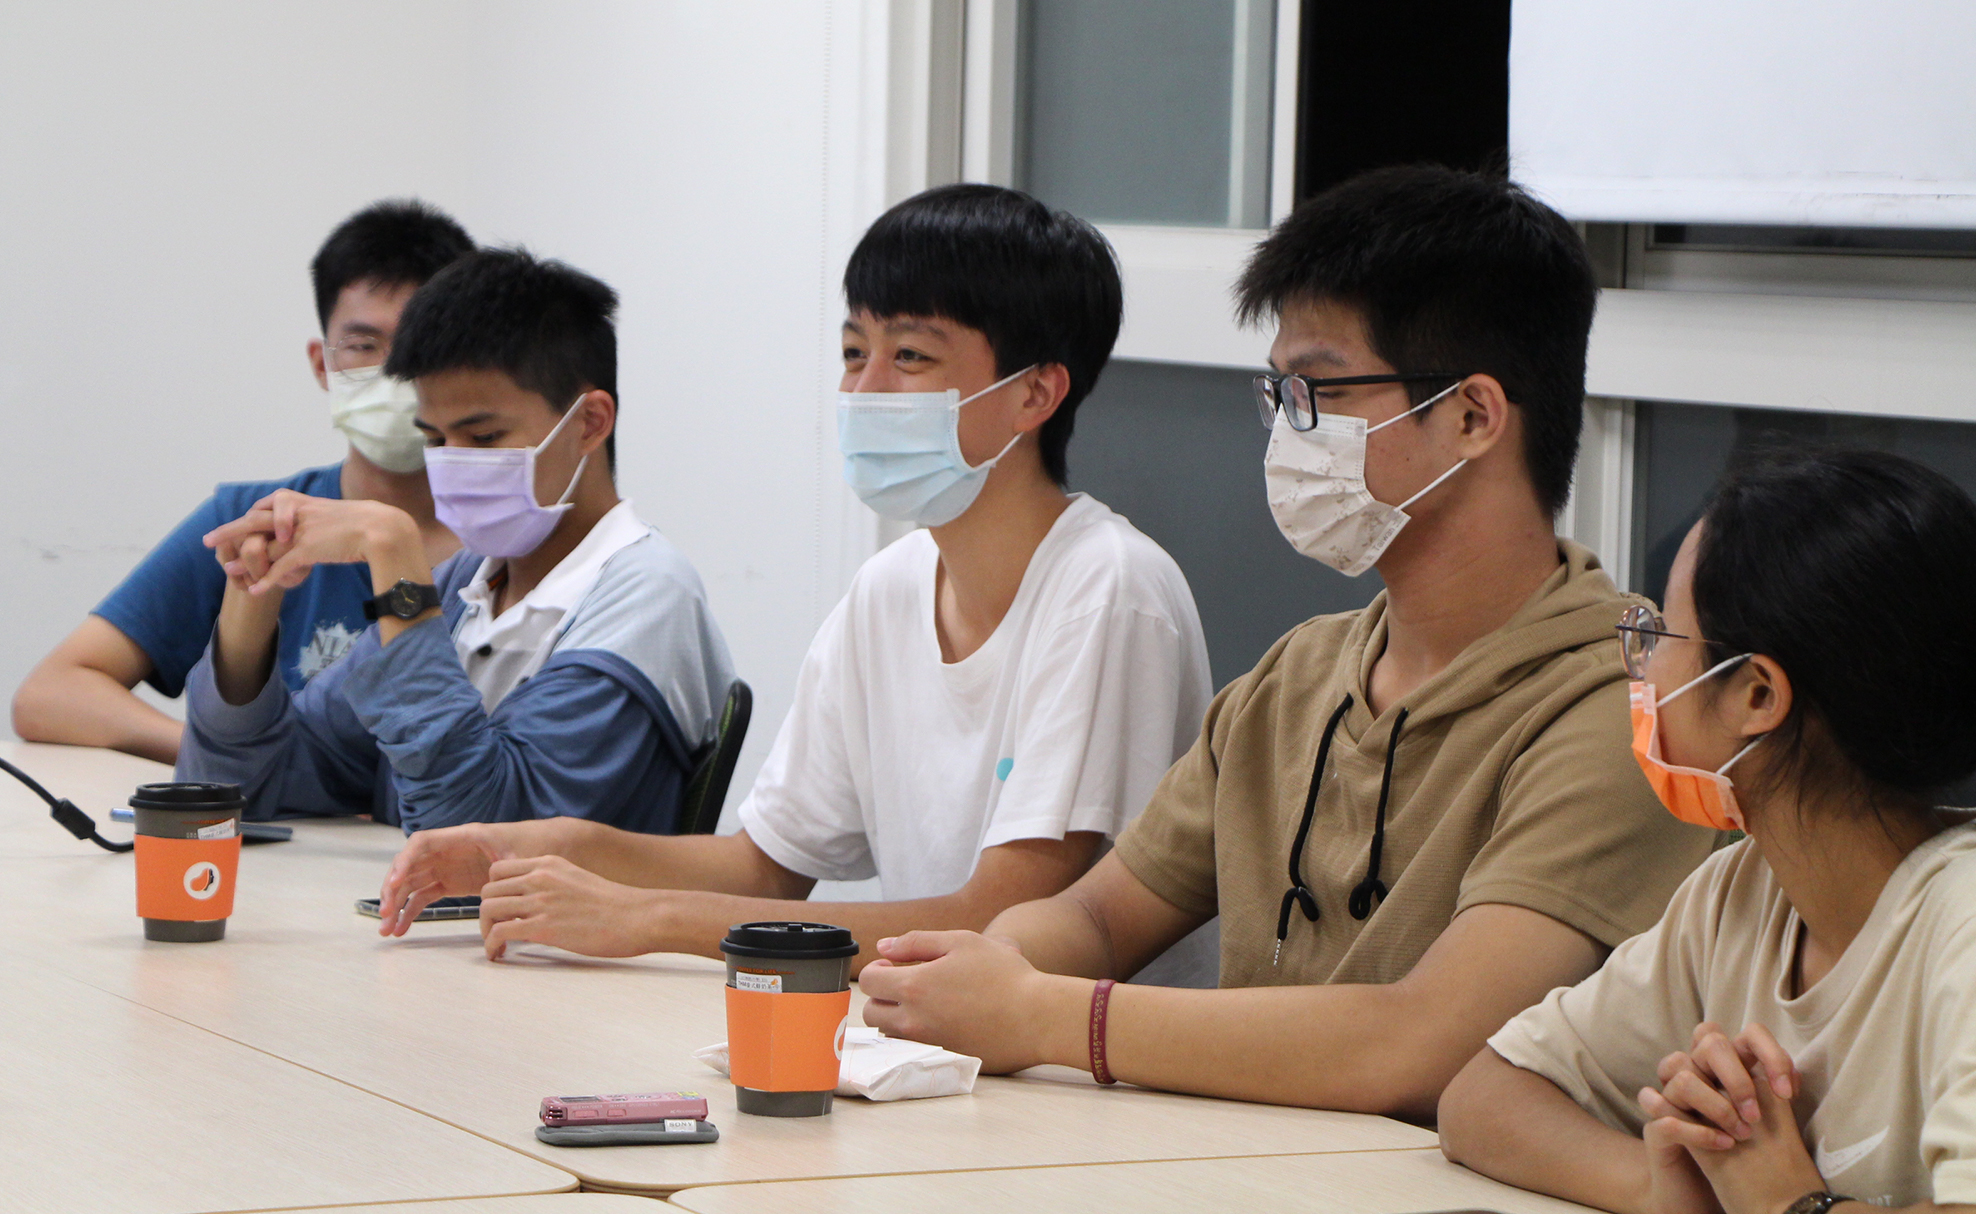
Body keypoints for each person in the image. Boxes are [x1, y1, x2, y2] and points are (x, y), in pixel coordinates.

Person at [855, 165, 1720, 1117]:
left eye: (1318, 391)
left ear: (1472, 416)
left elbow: (1419, 1043)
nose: (1288, 433)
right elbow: (1099, 916)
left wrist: (1047, 1016)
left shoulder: (1622, 713)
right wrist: (983, 967)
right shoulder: (1298, 676)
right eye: (1278, 396)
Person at [375, 184, 1215, 975]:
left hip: (1084, 1066)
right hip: (935, 1044)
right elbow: (764, 867)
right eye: (853, 352)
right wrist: (527, 847)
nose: (865, 389)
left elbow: (1001, 924)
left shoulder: (1109, 589)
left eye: (910, 356)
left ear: (1035, 393)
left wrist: (648, 919)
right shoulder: (889, 589)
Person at [1437, 449, 1976, 1214]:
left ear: (1758, 695)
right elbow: (1483, 1099)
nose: (1642, 669)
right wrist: (1675, 1189)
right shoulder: (1738, 893)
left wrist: (1789, 1203)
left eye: (1664, 635)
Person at [176, 247, 735, 835]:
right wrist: (253, 596)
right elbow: (238, 788)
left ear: (590, 422)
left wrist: (393, 550)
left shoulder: (646, 598)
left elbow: (473, 839)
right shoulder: (464, 584)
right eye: (436, 440)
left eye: (484, 436)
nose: (451, 464)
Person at [11, 199, 473, 764]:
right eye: (362, 347)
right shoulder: (256, 521)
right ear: (322, 363)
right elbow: (51, 694)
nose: (393, 373)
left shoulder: (509, 538)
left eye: (418, 348)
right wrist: (229, 757)